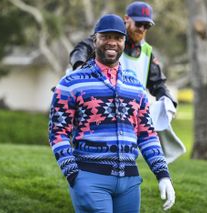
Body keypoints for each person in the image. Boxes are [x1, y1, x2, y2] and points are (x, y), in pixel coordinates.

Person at [49, 14, 175, 212]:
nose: (112, 43)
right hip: (90, 179)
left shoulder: (135, 85)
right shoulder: (71, 83)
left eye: (118, 38)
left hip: (130, 183)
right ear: (95, 40)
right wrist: (73, 174)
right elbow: (58, 132)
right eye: (106, 36)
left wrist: (163, 174)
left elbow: (147, 134)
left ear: (124, 41)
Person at [69, 1, 185, 163]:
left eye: (147, 26)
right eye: (139, 23)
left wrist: (169, 100)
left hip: (127, 114)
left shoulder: (147, 52)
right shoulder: (107, 40)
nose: (142, 29)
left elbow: (158, 84)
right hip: (97, 107)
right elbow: (80, 51)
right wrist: (79, 70)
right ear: (126, 19)